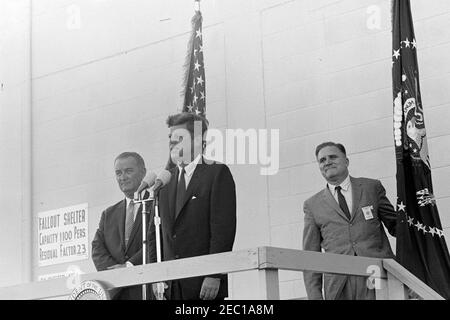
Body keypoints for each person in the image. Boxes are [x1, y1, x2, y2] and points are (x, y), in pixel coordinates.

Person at [149, 112, 237, 300]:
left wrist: (215, 274)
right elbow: (154, 236)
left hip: (203, 286)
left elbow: (223, 230)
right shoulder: (164, 181)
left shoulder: (216, 173)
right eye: (170, 138)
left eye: (178, 137)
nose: (172, 142)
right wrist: (155, 277)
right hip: (169, 287)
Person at [302, 142, 397, 300]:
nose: (327, 162)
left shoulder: (371, 188)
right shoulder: (312, 205)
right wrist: (315, 296)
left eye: (333, 157)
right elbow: (310, 255)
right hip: (339, 284)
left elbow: (397, 228)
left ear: (346, 161)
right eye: (322, 160)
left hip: (376, 274)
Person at [92, 152, 149, 300]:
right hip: (118, 293)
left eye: (128, 171)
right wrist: (117, 275)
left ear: (143, 172)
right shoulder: (108, 214)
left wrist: (130, 266)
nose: (123, 177)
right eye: (118, 173)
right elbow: (97, 249)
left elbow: (157, 242)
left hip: (147, 289)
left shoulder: (157, 204)